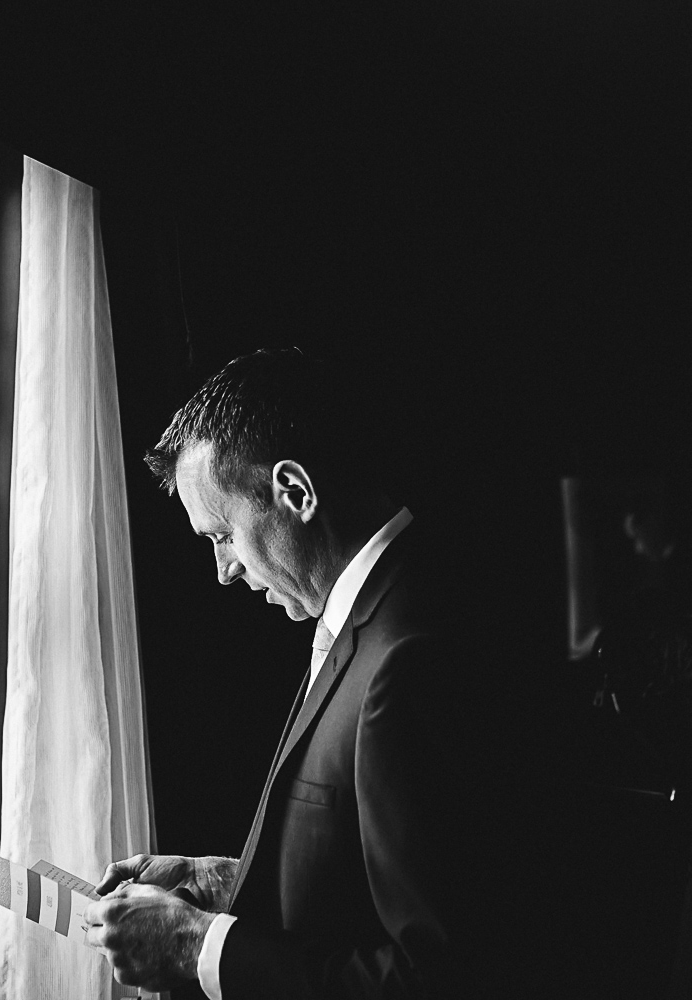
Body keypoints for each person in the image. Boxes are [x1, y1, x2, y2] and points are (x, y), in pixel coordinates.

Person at [80, 348, 506, 1000]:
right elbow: (373, 867)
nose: (223, 570)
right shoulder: (372, 612)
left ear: (295, 492)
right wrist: (224, 881)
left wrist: (198, 946)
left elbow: (441, 976)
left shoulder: (411, 658)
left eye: (222, 534)